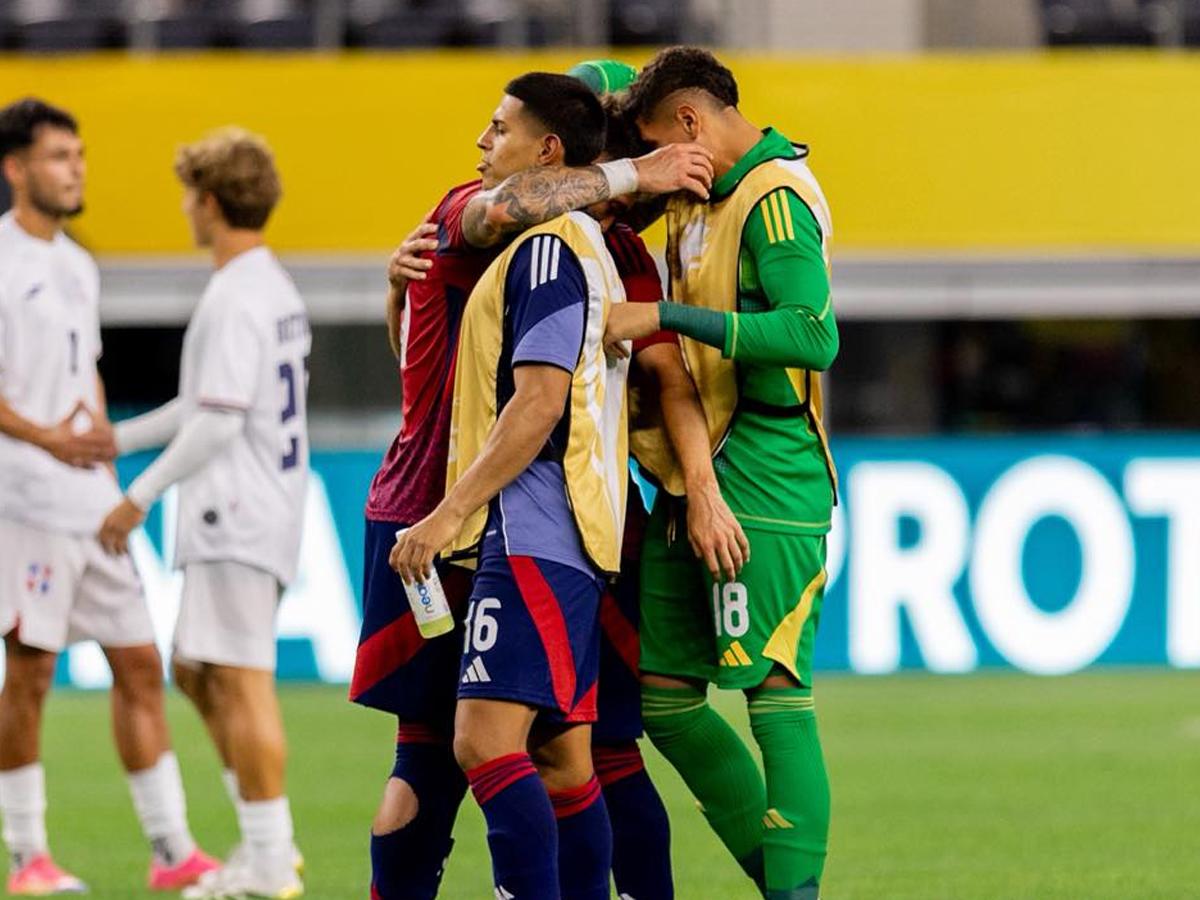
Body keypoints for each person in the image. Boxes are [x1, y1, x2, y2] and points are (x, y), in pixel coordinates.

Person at [351, 70, 714, 900]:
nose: (482, 144)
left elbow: (629, 384)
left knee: (531, 748)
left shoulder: (583, 248)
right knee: (502, 751)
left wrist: (701, 484)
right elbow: (438, 359)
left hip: (512, 515)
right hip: (465, 512)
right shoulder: (492, 217)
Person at [605, 47, 840, 900]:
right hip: (687, 474)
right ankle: (781, 884)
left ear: (691, 123)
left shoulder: (773, 197)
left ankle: (793, 894)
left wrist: (664, 314)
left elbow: (814, 336)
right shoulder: (696, 192)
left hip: (766, 478)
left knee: (774, 690)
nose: (656, 164)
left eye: (658, 142)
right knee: (663, 700)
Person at [390, 71, 632, 900]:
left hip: (531, 530)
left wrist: (446, 512)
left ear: (546, 150)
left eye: (498, 130)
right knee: (564, 758)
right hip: (566, 534)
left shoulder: (547, 249)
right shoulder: (567, 247)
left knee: (484, 745)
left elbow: (538, 402)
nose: (483, 145)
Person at [0, 97, 218, 895]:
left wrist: (97, 449)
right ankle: (27, 858)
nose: (75, 170)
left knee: (138, 660)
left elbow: (82, 367)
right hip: (23, 498)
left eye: (80, 156)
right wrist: (47, 440)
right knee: (29, 672)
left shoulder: (76, 263)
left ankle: (171, 852)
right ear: (17, 169)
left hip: (89, 498)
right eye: (60, 157)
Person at [98, 128, 310, 900]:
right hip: (264, 502)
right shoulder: (271, 287)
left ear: (210, 202)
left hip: (237, 510)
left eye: (190, 195)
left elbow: (220, 421)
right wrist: (115, 439)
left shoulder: (232, 296)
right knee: (195, 670)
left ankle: (269, 856)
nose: (185, 209)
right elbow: (204, 402)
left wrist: (136, 494)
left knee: (243, 679)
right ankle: (264, 840)